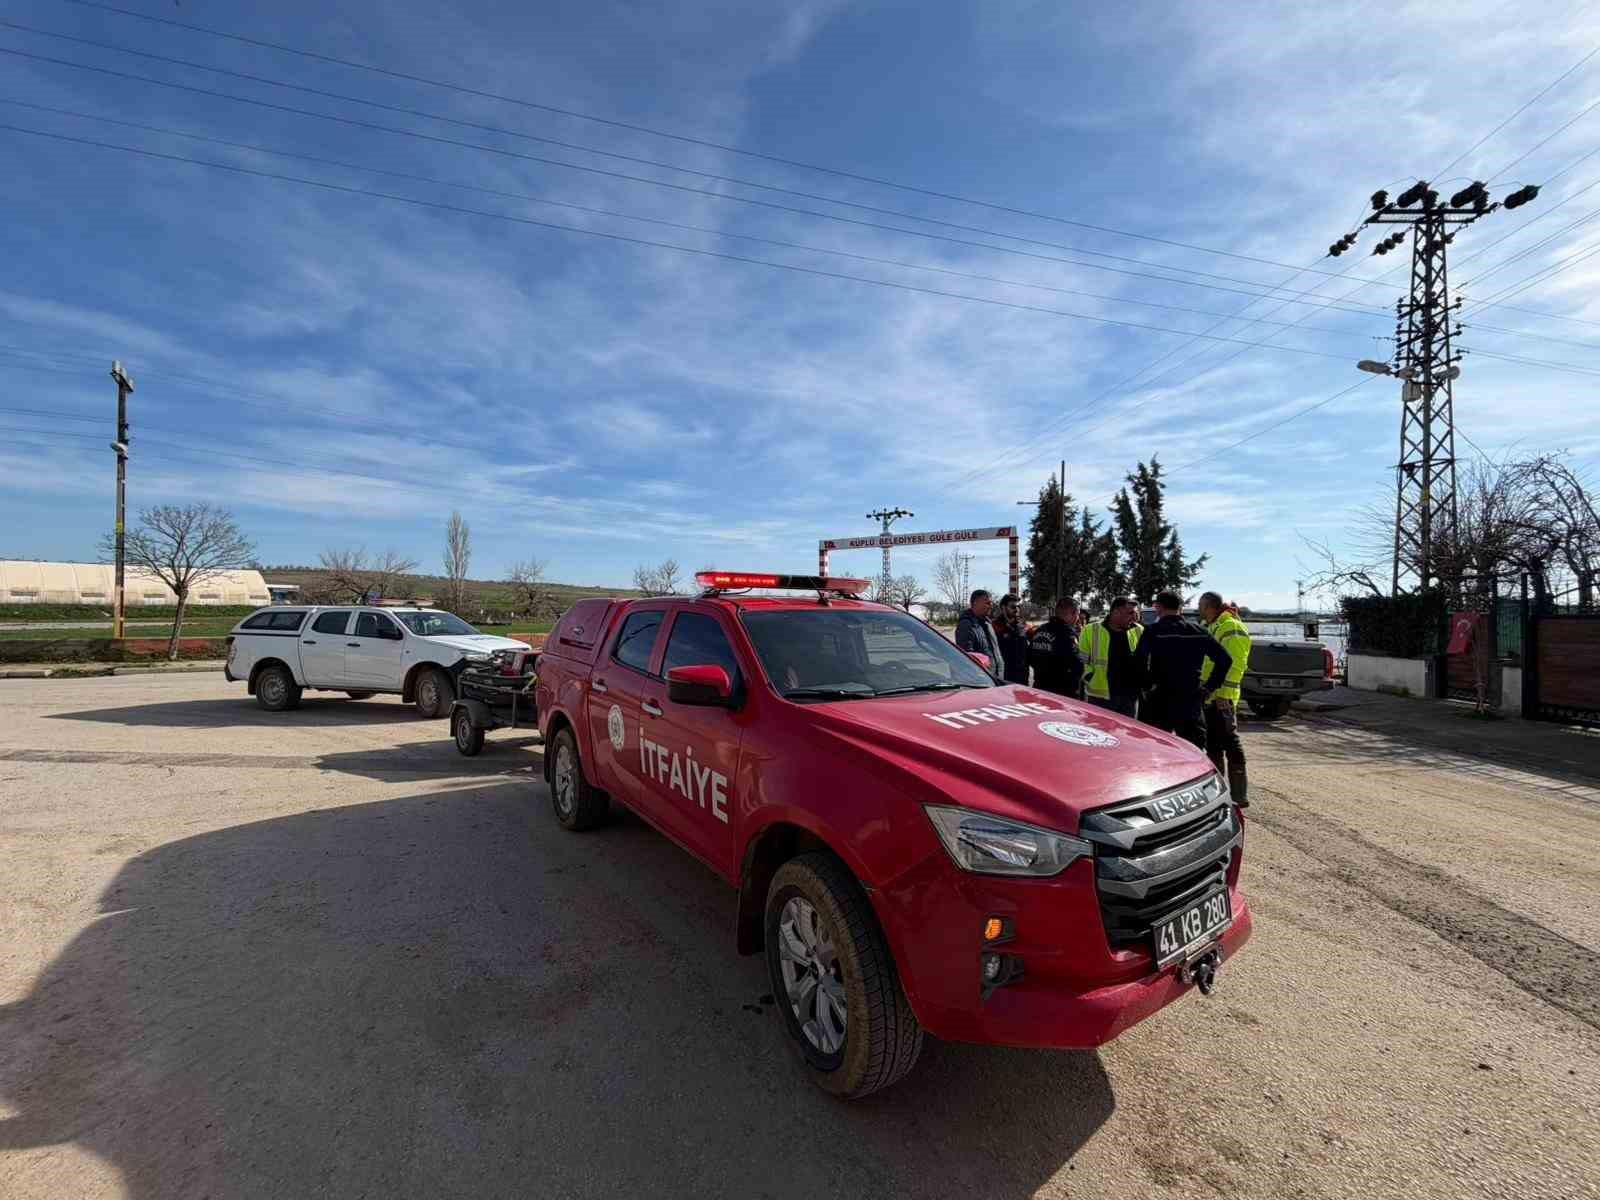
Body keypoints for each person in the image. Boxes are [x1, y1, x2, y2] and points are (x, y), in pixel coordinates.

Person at [1134, 590, 1231, 751]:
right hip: (1190, 699)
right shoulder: (1198, 631)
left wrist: (1147, 686)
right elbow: (1225, 660)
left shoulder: (1153, 631)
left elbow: (1138, 662)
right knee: (1193, 751)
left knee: (1155, 751)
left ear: (1158, 607)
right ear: (1181, 608)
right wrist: (1208, 688)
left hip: (1159, 699)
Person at [1199, 590, 1252, 806]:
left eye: (1201, 606)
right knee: (1213, 744)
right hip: (1210, 696)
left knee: (1230, 742)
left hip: (1222, 697)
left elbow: (1236, 664)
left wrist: (1223, 695)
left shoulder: (1232, 627)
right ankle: (1218, 794)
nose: (1199, 611)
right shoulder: (1214, 626)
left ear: (1210, 606)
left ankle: (1239, 796)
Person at [1078, 596, 1143, 717]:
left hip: (1129, 697)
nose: (1134, 617)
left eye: (1135, 613)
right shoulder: (1090, 630)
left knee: (1125, 734)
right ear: (1116, 612)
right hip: (1100, 697)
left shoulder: (1138, 630)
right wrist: (1088, 676)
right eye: (1130, 613)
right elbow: (1082, 659)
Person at [1029, 597, 1086, 698]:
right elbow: (1077, 665)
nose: (1077, 619)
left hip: (1039, 688)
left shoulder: (1040, 630)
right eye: (1077, 615)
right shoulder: (1067, 633)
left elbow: (1030, 658)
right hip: (1062, 692)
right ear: (1072, 614)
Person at [954, 588, 1003, 672]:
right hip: (982, 679)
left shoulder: (988, 623)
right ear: (975, 603)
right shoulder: (966, 625)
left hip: (995, 677)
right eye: (987, 603)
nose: (991, 606)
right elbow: (967, 658)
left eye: (991, 603)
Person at [992, 593, 1031, 684]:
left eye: (1018, 607)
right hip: (1003, 678)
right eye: (1013, 607)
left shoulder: (1024, 625)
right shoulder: (994, 626)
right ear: (1003, 608)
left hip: (1022, 677)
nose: (1017, 610)